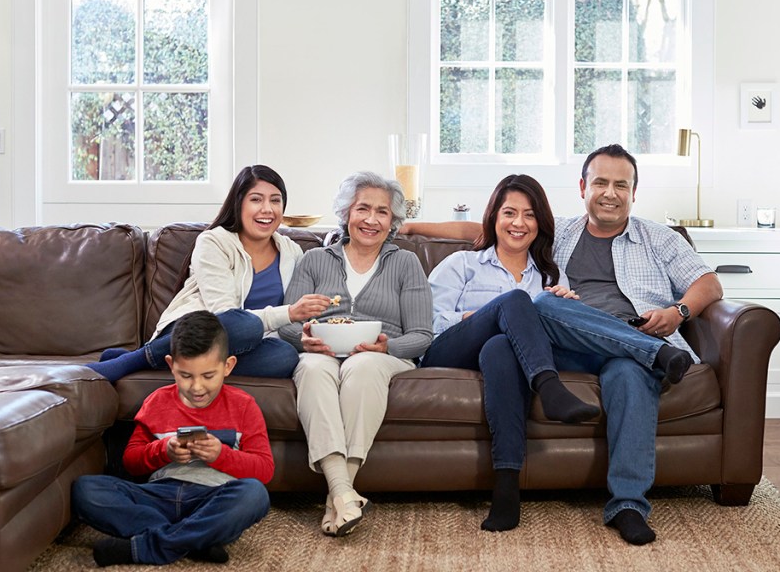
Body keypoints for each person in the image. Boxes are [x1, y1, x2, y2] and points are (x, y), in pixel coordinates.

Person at [400, 144, 721, 545]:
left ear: (634, 192)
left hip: (632, 337)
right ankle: (654, 355)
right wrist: (413, 226)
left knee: (625, 372)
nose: (610, 192)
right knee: (542, 303)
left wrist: (678, 313)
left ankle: (628, 504)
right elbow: (486, 231)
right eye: (600, 182)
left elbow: (709, 283)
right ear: (583, 187)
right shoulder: (562, 232)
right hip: (568, 338)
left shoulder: (659, 238)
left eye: (621, 184)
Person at [421, 174, 600, 532]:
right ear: (494, 218)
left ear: (540, 224)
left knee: (501, 345)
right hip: (449, 350)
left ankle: (506, 487)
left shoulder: (550, 276)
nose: (519, 223)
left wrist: (564, 308)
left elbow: (555, 335)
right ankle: (549, 387)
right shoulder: (462, 264)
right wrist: (478, 317)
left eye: (530, 215)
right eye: (510, 213)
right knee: (515, 302)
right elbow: (427, 323)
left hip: (504, 358)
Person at [278, 171, 433, 537]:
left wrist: (387, 346)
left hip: (382, 355)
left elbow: (423, 336)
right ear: (347, 213)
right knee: (313, 369)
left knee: (362, 365)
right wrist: (303, 339)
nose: (371, 219)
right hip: (322, 350)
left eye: (382, 212)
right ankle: (345, 494)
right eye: (363, 208)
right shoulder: (315, 259)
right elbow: (287, 322)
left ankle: (338, 496)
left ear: (393, 221)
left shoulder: (406, 263)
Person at [86, 165, 331, 383]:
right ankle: (141, 358)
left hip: (242, 346)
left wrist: (306, 334)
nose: (267, 209)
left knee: (285, 356)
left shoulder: (292, 252)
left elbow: (287, 324)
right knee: (245, 326)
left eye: (275, 201)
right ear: (239, 203)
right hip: (198, 329)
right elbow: (222, 314)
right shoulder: (214, 242)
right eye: (256, 199)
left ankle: (176, 362)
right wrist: (287, 313)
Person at [71, 310, 274, 567]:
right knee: (86, 490)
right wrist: (164, 451)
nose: (197, 387)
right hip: (158, 497)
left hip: (212, 499)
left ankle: (151, 546)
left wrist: (221, 455)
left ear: (228, 366)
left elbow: (264, 471)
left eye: (208, 376)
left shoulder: (244, 406)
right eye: (186, 375)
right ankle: (195, 540)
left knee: (254, 495)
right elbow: (130, 462)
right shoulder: (157, 401)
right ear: (171, 365)